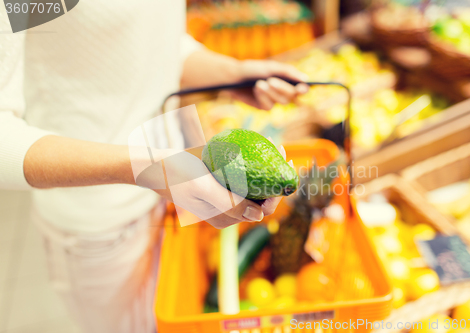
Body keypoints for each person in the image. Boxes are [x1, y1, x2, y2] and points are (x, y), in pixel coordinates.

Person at [0, 1, 308, 332]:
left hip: (168, 193)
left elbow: (151, 41)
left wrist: (230, 74)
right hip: (103, 224)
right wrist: (147, 167)